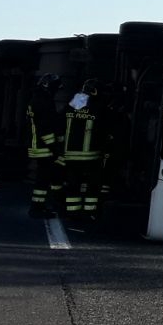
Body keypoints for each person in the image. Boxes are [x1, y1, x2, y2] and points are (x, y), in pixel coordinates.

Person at [57, 79, 104, 223]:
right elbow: (104, 129)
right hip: (91, 156)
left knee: (73, 185)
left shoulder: (72, 105)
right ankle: (89, 213)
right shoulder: (97, 106)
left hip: (70, 155)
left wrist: (59, 149)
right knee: (92, 186)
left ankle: (73, 213)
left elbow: (59, 124)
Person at [26, 74, 62, 218]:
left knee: (46, 176)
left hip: (37, 144)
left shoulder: (37, 98)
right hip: (43, 146)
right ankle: (37, 208)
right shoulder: (44, 101)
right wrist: (54, 147)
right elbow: (46, 127)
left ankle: (41, 206)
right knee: (43, 177)